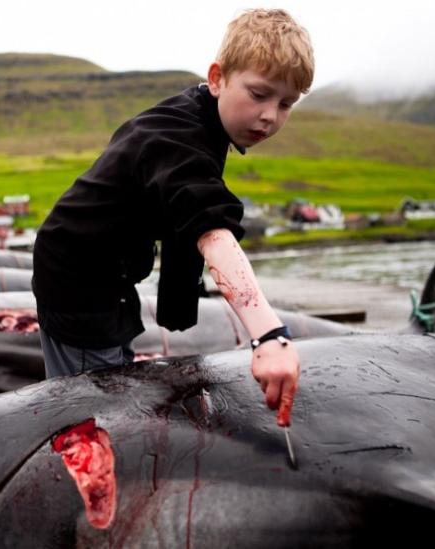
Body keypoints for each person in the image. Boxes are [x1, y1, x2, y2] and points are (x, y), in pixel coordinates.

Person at [32, 7, 314, 426]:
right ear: (217, 79)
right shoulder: (178, 136)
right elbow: (210, 229)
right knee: (95, 407)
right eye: (259, 94)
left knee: (118, 368)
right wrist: (269, 335)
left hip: (113, 273)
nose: (270, 115)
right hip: (77, 278)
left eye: (286, 103)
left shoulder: (202, 121)